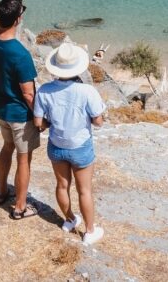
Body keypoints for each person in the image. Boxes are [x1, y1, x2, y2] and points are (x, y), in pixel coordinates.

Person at [34, 43, 106, 245]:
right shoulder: (87, 91)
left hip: (57, 146)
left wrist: (51, 122)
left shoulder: (44, 90)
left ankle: (70, 220)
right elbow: (98, 122)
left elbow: (39, 123)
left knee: (62, 185)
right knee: (85, 190)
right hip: (80, 147)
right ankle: (89, 232)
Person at [0, 0, 40, 220]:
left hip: (0, 108)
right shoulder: (20, 54)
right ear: (18, 19)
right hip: (19, 114)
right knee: (24, 158)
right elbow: (28, 93)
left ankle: (1, 192)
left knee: (7, 147)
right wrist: (39, 116)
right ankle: (20, 207)